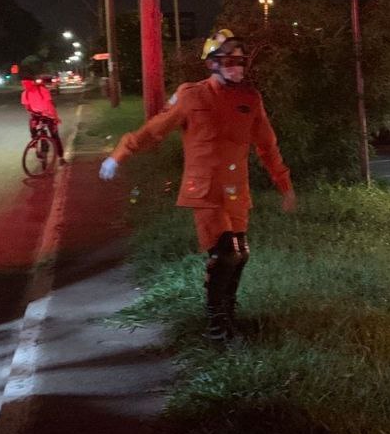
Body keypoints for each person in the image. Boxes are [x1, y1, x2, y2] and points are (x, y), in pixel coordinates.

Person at [99, 29, 297, 341]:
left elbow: (267, 145)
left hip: (236, 190)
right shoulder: (191, 96)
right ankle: (216, 326)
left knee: (241, 254)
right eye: (229, 60)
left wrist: (284, 184)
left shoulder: (249, 98)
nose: (237, 67)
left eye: (241, 61)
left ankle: (229, 315)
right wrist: (120, 154)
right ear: (213, 63)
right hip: (204, 190)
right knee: (226, 255)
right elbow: (155, 131)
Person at [20, 75, 65, 163]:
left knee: (54, 135)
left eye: (26, 84)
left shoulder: (42, 90)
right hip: (37, 115)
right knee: (33, 129)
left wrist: (55, 117)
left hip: (48, 115)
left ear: (32, 83)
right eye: (23, 84)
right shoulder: (25, 94)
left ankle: (61, 157)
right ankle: (36, 144)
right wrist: (34, 114)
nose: (25, 86)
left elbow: (50, 105)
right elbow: (27, 107)